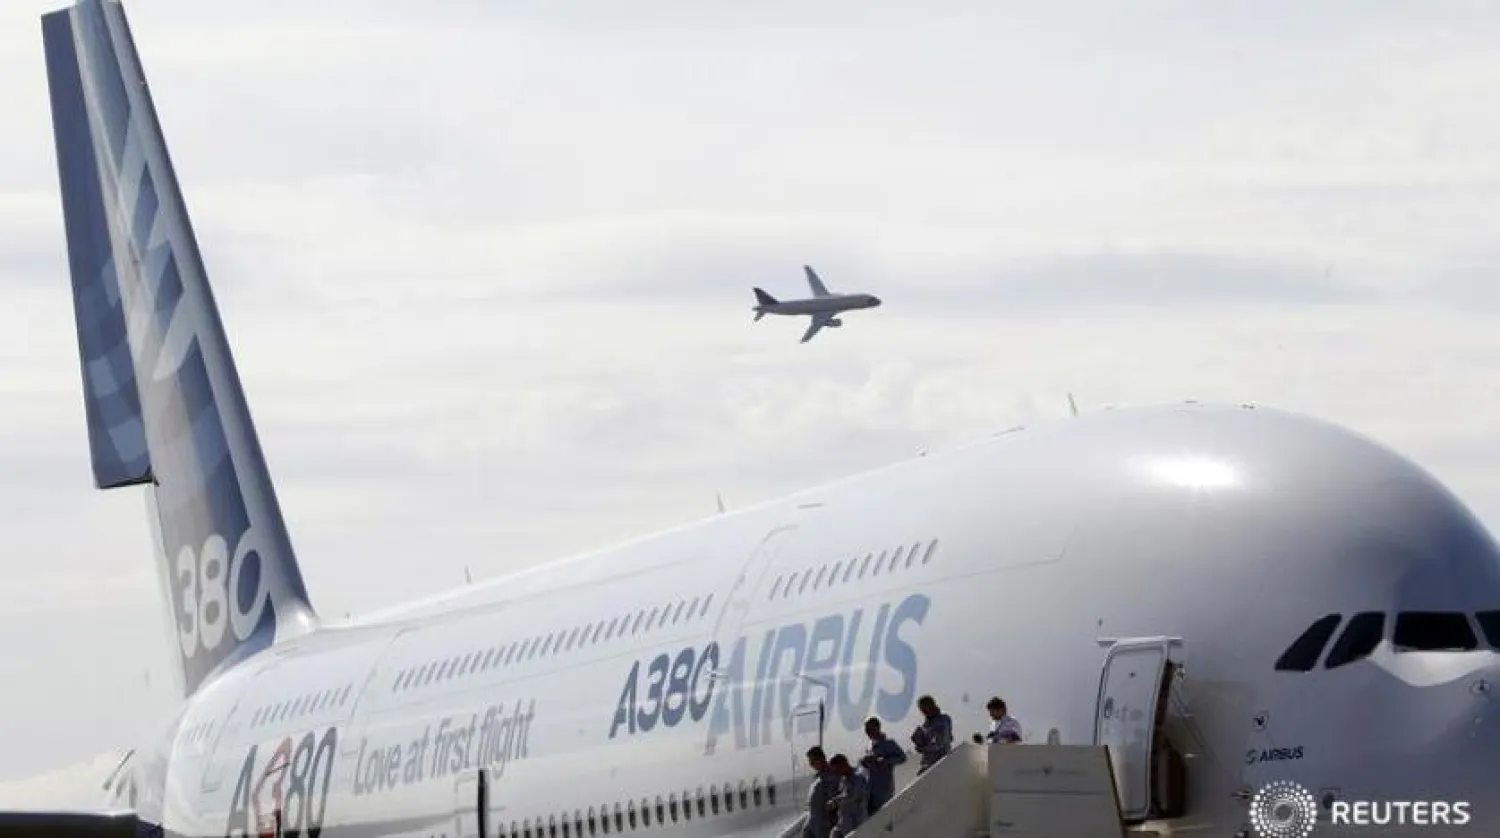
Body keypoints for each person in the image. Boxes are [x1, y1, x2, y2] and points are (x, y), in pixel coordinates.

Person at [859, 717, 907, 814]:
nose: (868, 733)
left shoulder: (889, 743)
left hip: (884, 790)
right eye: (866, 730)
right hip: (870, 791)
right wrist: (865, 762)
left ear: (878, 728)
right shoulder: (869, 746)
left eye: (870, 729)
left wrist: (885, 760)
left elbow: (902, 758)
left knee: (884, 816)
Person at [828, 754, 869, 838]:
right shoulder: (843, 779)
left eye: (838, 769)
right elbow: (843, 794)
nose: (837, 773)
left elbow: (852, 796)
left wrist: (835, 800)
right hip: (844, 822)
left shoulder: (858, 777)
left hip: (856, 823)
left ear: (844, 764)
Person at [910, 695, 953, 774]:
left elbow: (940, 743)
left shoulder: (943, 720)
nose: (923, 712)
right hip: (928, 763)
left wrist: (922, 748)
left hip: (941, 763)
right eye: (922, 710)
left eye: (925, 709)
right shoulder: (926, 724)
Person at [803, 746, 838, 838]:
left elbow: (833, 801)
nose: (811, 764)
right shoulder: (818, 776)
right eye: (810, 762)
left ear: (822, 758)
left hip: (824, 823)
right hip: (813, 821)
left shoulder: (831, 776)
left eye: (813, 761)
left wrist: (829, 821)